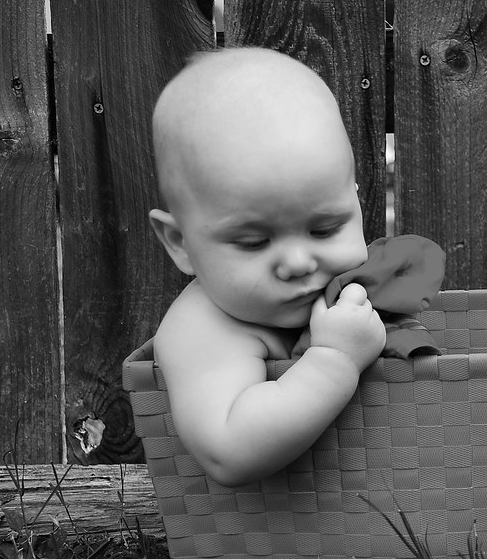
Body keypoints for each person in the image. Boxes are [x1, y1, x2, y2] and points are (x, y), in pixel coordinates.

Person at [147, 47, 387, 487]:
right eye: (254, 242)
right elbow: (228, 452)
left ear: (355, 201)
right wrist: (334, 360)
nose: (298, 263)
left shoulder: (345, 284)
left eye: (325, 229)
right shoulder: (203, 330)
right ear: (180, 243)